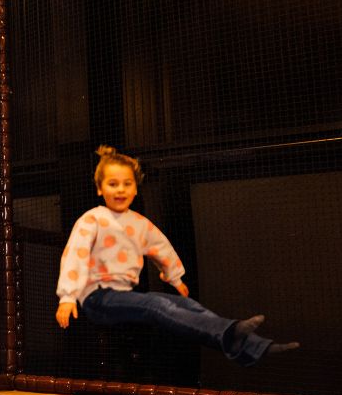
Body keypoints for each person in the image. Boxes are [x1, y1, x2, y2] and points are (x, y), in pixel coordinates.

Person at [56, 145, 297, 366]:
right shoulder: (93, 219)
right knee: (156, 304)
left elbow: (162, 248)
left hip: (124, 296)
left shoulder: (140, 223)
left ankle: (255, 347)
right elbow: (75, 255)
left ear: (136, 187)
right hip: (97, 298)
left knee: (187, 304)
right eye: (113, 184)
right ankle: (234, 335)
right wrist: (68, 296)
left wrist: (175, 277)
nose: (120, 189)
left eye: (127, 183)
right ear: (100, 188)